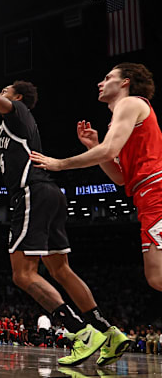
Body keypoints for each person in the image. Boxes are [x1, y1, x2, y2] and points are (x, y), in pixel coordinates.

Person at [0, 39, 129, 366]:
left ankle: (81, 332)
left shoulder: (19, 113)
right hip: (49, 193)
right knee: (60, 269)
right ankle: (107, 331)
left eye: (7, 89)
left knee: (22, 275)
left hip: (31, 192)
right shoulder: (8, 133)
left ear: (18, 97)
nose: (3, 93)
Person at [30, 63, 160, 291]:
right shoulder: (122, 118)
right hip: (145, 195)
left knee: (157, 276)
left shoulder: (130, 103)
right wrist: (94, 146)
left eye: (108, 77)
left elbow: (110, 150)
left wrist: (60, 164)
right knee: (156, 276)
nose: (100, 83)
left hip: (156, 190)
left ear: (125, 82)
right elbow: (120, 177)